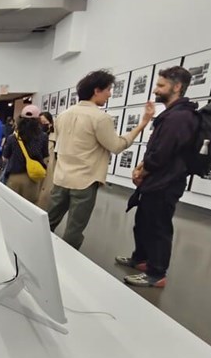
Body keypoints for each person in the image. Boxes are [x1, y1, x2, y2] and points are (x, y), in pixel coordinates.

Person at [47, 70, 150, 249]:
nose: (110, 94)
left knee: (48, 221)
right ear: (96, 90)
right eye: (108, 89)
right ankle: (66, 262)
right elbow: (116, 146)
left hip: (61, 178)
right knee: (74, 228)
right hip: (85, 181)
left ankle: (36, 252)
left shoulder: (63, 116)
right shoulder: (100, 118)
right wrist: (142, 124)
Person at [117, 67, 199, 288]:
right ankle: (141, 259)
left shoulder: (181, 117)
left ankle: (157, 273)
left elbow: (162, 154)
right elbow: (156, 149)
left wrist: (142, 172)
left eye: (161, 86)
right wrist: (142, 168)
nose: (156, 89)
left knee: (158, 227)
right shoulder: (171, 115)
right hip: (155, 180)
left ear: (177, 87)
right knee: (143, 222)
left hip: (166, 183)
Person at [1, 105, 48, 203]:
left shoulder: (12, 138)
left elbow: (5, 157)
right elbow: (45, 156)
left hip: (14, 177)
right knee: (29, 209)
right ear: (38, 120)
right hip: (33, 178)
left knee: (12, 206)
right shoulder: (43, 137)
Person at [36, 111, 56, 209]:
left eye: (45, 123)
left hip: (49, 167)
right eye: (41, 123)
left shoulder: (55, 137)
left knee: (45, 193)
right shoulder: (35, 136)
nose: (43, 125)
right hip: (37, 166)